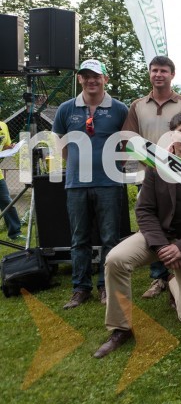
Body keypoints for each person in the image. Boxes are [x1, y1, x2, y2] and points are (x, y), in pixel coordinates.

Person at [93, 112, 181, 358]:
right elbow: (144, 210)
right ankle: (120, 328)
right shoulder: (156, 167)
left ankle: (174, 284)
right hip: (157, 237)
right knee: (115, 259)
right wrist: (162, 245)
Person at [53, 59, 129, 309]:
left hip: (109, 183)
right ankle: (80, 288)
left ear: (105, 79)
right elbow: (60, 145)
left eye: (96, 76)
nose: (91, 80)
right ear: (79, 79)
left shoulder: (119, 109)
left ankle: (105, 286)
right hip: (77, 185)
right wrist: (76, 166)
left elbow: (127, 143)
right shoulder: (66, 109)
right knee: (79, 239)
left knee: (110, 238)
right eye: (86, 76)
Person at [122, 55, 181, 299]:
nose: (158, 75)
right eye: (154, 70)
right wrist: (154, 164)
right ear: (150, 74)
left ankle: (179, 272)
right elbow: (129, 138)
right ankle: (158, 278)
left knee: (179, 222)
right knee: (152, 222)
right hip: (150, 174)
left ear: (172, 74)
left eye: (163, 70)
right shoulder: (137, 105)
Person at [0, 119, 22, 241]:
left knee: (7, 202)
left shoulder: (3, 126)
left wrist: (11, 147)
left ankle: (15, 233)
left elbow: (4, 146)